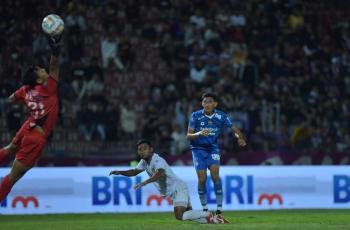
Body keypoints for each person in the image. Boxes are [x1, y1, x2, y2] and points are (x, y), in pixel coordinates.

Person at [0, 34, 62, 202]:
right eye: (41, 70)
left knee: (10, 148)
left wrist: (27, 100)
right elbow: (55, 66)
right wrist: (55, 50)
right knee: (13, 176)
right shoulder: (48, 87)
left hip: (28, 125)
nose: (45, 70)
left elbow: (11, 98)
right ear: (38, 78)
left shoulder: (25, 90)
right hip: (36, 136)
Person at [109, 139, 227, 224]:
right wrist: (120, 172)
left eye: (144, 149)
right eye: (139, 150)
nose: (141, 152)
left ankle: (209, 214)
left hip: (178, 188)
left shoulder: (157, 160)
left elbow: (160, 173)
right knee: (190, 216)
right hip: (175, 190)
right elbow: (134, 171)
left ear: (151, 149)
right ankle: (216, 221)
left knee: (180, 216)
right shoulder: (144, 162)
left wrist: (145, 182)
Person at [187, 92, 247, 222]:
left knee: (215, 177)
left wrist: (240, 138)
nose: (207, 104)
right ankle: (205, 211)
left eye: (209, 102)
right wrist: (199, 133)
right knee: (202, 179)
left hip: (213, 149)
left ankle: (219, 212)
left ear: (215, 104)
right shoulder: (195, 116)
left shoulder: (221, 116)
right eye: (204, 102)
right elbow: (188, 135)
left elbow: (235, 129)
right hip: (198, 150)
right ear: (202, 103)